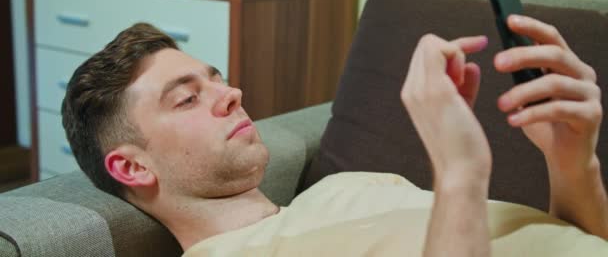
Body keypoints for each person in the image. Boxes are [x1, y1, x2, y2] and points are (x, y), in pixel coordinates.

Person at [61, 16, 607, 256]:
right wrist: (461, 171)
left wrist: (571, 164)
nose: (231, 94)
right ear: (132, 168)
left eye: (217, 79)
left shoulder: (343, 187)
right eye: (186, 98)